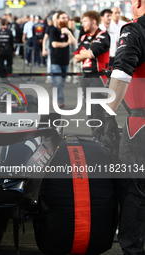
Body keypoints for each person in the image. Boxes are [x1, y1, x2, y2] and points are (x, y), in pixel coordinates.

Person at [102, 0, 145, 254]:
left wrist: (107, 117)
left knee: (133, 190)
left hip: (139, 126)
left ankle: (133, 248)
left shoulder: (134, 29)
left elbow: (120, 75)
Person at [74, 10, 110, 139]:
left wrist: (85, 53)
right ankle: (95, 136)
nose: (82, 24)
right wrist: (84, 53)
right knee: (89, 109)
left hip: (98, 77)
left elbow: (90, 54)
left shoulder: (103, 35)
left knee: (97, 109)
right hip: (85, 77)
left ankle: (101, 139)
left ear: (93, 21)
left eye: (84, 21)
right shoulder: (83, 37)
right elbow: (76, 57)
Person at [48, 11, 76, 108]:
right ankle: (59, 101)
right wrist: (66, 43)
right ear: (58, 20)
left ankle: (55, 97)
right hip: (55, 60)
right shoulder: (53, 30)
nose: (65, 19)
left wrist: (69, 33)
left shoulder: (68, 30)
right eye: (63, 18)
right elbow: (54, 44)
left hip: (65, 60)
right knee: (58, 82)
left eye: (66, 18)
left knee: (61, 83)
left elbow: (74, 43)